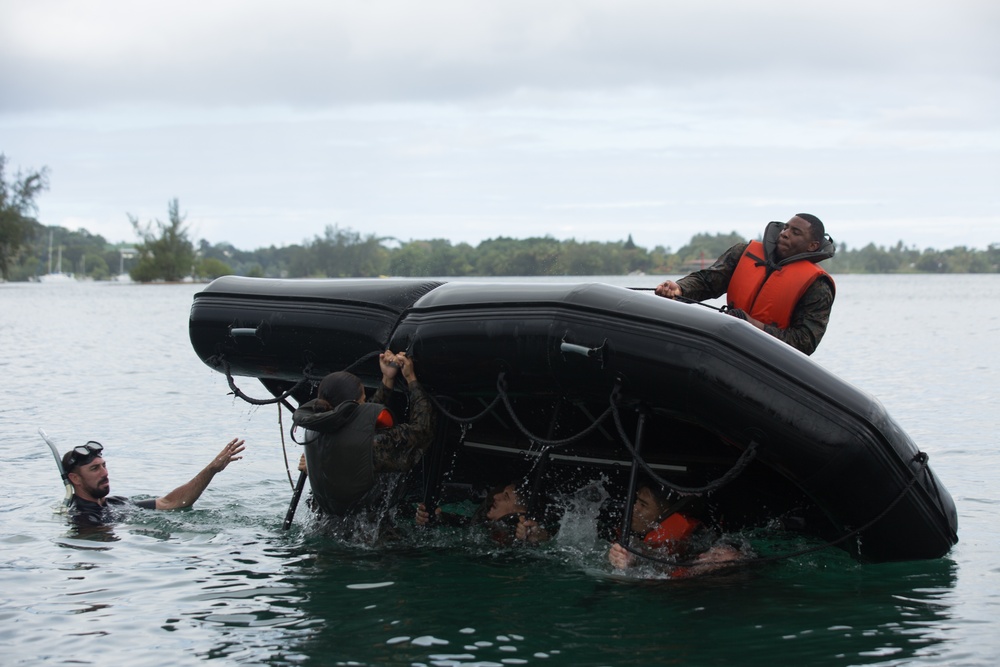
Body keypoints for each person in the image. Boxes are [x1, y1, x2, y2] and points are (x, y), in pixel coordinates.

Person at [655, 214, 836, 355]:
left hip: (769, 359)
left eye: (795, 232)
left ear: (812, 246)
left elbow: (804, 342)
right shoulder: (743, 252)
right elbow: (707, 281)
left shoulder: (818, 285)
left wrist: (750, 325)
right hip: (726, 342)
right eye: (785, 228)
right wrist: (680, 289)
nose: (785, 233)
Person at [293, 350, 436, 517]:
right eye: (363, 399)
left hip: (328, 524)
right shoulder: (373, 445)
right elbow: (422, 430)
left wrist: (387, 379)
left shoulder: (315, 433)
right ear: (353, 404)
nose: (366, 404)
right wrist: (411, 379)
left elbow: (360, 421)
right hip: (369, 537)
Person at [62, 438, 246, 527]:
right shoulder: (84, 519)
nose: (105, 473)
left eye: (104, 466)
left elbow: (172, 503)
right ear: (75, 478)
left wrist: (212, 469)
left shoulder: (115, 503)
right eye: (95, 469)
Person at [607, 482, 742, 577]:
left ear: (665, 512)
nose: (633, 508)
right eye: (636, 501)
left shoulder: (694, 539)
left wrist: (634, 561)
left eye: (643, 505)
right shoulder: (614, 526)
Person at [416, 481, 556, 545]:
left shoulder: (519, 532)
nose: (495, 497)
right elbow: (466, 524)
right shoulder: (484, 525)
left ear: (521, 512)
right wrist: (435, 517)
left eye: (505, 497)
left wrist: (540, 537)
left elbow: (548, 538)